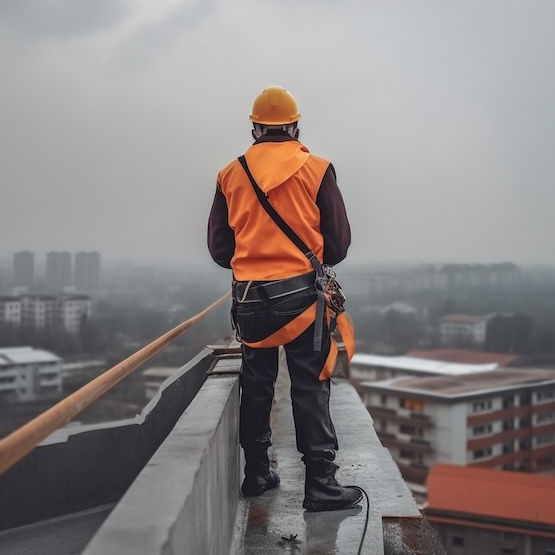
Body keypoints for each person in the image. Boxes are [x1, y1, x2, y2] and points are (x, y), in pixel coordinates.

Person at [207, 85, 362, 512]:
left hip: (251, 299)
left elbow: (221, 250)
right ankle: (321, 485)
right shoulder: (317, 168)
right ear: (295, 126)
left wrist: (257, 263)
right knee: (310, 388)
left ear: (255, 128)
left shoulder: (230, 173)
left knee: (257, 386)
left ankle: (257, 473)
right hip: (302, 301)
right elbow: (339, 243)